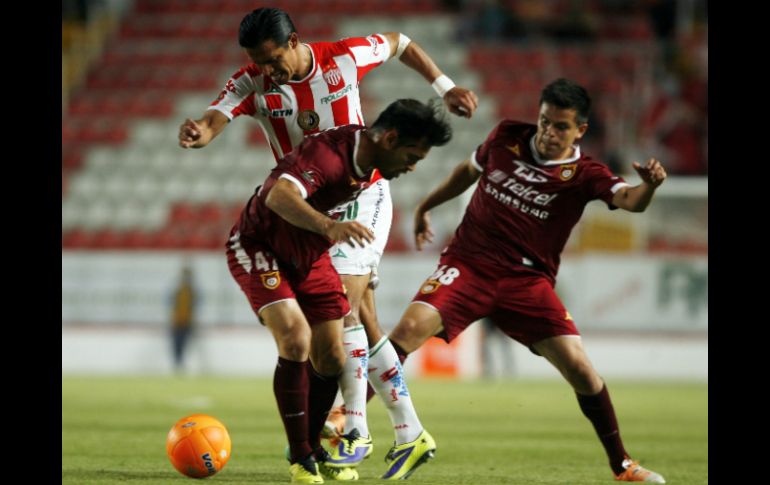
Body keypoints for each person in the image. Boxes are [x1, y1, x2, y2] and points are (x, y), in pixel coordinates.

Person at [177, 7, 478, 476]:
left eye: (273, 59)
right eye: (258, 62)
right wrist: (199, 133)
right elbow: (216, 115)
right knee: (359, 323)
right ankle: (407, 431)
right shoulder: (253, 79)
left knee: (343, 313)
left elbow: (400, 42)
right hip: (308, 206)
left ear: (295, 41)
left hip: (362, 193)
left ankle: (353, 428)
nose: (267, 70)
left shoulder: (343, 57)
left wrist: (444, 85)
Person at [387, 79, 667, 483]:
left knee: (582, 370)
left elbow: (630, 201)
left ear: (580, 131)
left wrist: (651, 187)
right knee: (408, 329)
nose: (549, 132)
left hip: (527, 282)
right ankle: (348, 415)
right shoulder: (505, 136)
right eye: (544, 121)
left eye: (560, 127)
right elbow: (467, 171)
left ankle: (622, 465)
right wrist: (426, 206)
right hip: (469, 265)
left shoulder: (586, 173)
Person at [224, 99, 452, 484]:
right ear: (390, 138)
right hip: (261, 245)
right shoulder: (329, 155)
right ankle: (305, 456)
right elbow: (277, 196)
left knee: (332, 355)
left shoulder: (368, 164)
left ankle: (328, 441)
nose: (413, 166)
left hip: (310, 255)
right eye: (412, 156)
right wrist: (329, 228)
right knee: (297, 338)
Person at [169, 263, 197, 373]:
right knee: (177, 344)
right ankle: (178, 363)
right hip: (177, 322)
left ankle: (180, 363)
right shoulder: (178, 290)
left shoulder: (191, 291)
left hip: (186, 322)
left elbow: (194, 307)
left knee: (184, 344)